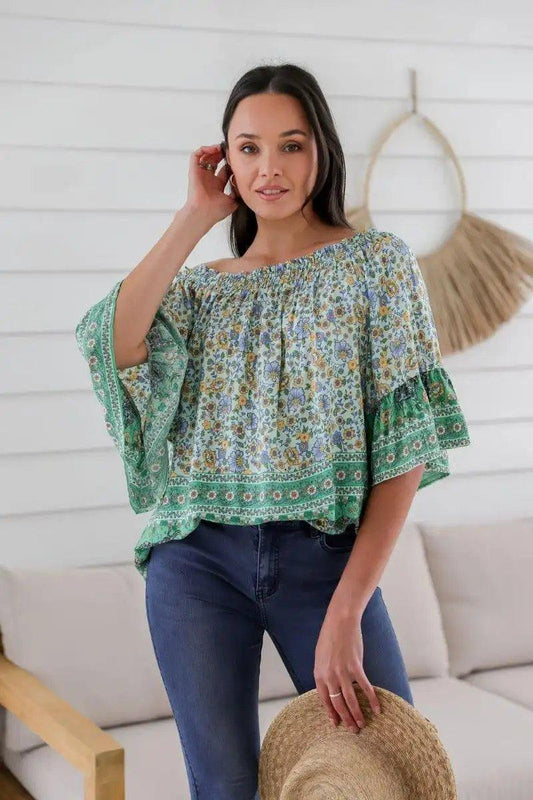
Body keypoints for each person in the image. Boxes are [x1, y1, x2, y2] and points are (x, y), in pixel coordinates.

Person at [75, 63, 471, 800]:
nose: (269, 168)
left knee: (391, 775)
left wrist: (347, 610)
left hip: (323, 561)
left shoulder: (376, 266)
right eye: (248, 148)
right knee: (222, 789)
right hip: (195, 561)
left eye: (291, 145)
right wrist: (195, 215)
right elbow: (113, 343)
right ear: (226, 158)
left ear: (321, 149)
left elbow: (405, 450)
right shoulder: (199, 291)